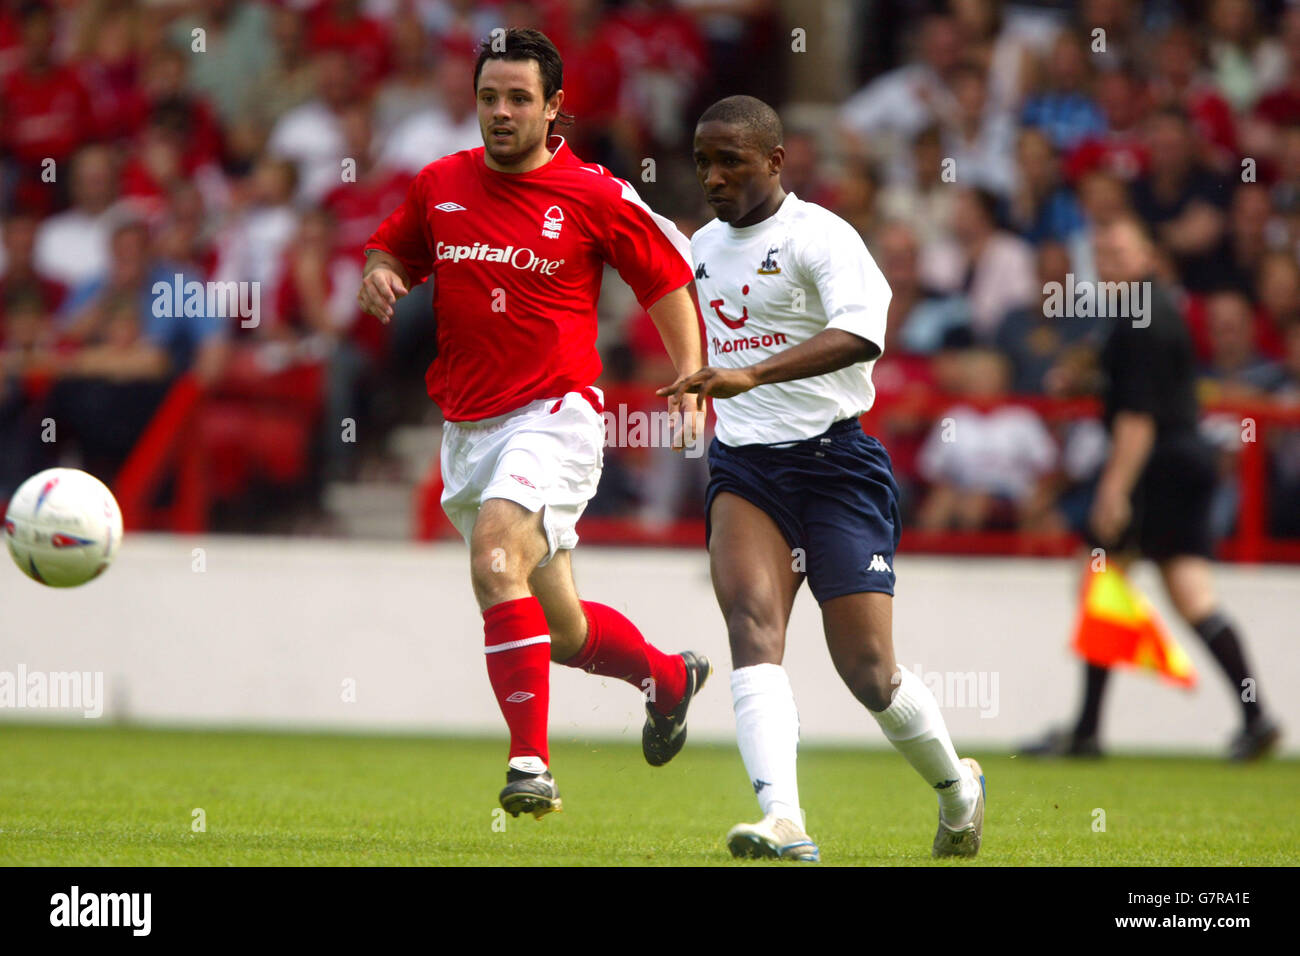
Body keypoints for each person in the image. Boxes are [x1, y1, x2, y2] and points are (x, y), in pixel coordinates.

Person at [357, 29, 710, 819]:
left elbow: (665, 278)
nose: (501, 112)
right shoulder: (439, 184)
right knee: (564, 631)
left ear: (554, 109)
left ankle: (530, 765)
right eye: (489, 97)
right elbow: (394, 252)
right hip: (469, 427)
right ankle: (669, 678)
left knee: (492, 562)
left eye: (519, 98)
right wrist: (380, 275)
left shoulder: (593, 194)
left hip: (554, 416)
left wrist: (689, 375)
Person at [660, 95, 986, 861]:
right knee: (751, 628)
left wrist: (754, 373)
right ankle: (785, 820)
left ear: (775, 162)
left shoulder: (821, 237)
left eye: (729, 160)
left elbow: (862, 334)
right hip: (747, 465)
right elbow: (682, 318)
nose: (712, 175)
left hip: (837, 463)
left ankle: (956, 786)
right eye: (703, 160)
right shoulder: (702, 246)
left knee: (869, 673)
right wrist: (694, 383)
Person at [1022, 218, 1282, 761]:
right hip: (1186, 462)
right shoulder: (1150, 310)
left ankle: (1088, 731)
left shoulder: (1140, 321)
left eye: (1118, 252)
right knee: (1191, 595)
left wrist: (1113, 490)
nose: (1107, 262)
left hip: (1154, 467)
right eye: (1101, 253)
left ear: (1147, 256)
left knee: (1099, 580)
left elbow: (1138, 418)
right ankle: (1256, 717)